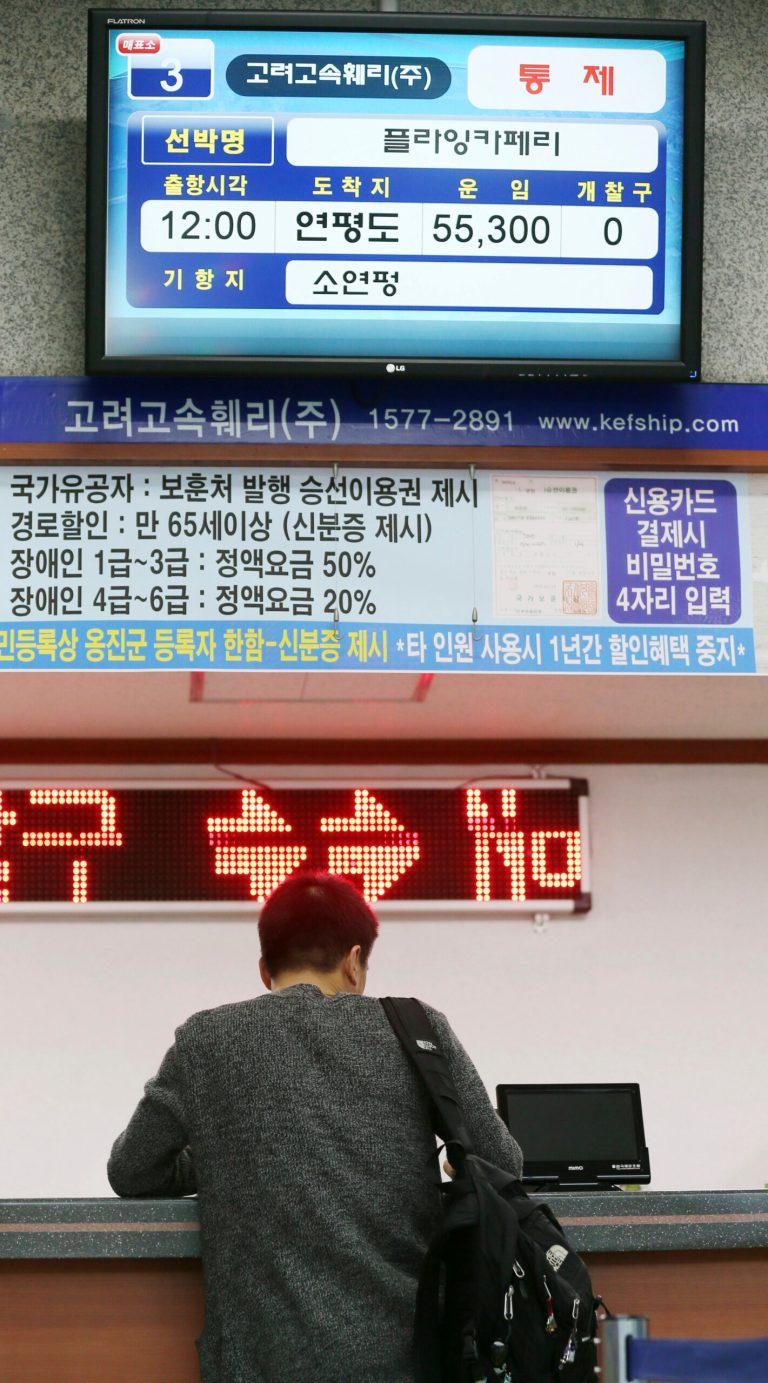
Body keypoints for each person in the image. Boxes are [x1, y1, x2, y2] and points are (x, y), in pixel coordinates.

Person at [108, 871, 523, 1383]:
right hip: (408, 1355)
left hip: (261, 1363)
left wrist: (232, 1153)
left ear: (265, 969)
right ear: (354, 961)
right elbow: (504, 1163)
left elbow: (132, 1171)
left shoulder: (207, 1038)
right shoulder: (417, 1029)